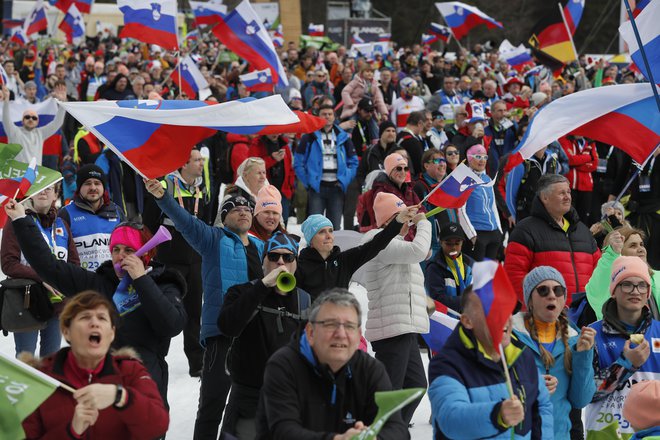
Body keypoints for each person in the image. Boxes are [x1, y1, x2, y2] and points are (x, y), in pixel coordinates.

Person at [5, 201, 186, 406]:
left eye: (129, 249)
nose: (121, 255)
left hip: (145, 391)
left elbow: (171, 325)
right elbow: (49, 266)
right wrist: (21, 220)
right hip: (100, 392)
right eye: (115, 249)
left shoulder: (164, 284)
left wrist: (141, 280)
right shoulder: (99, 283)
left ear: (146, 253)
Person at [145, 179, 264, 440]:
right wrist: (163, 196)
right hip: (221, 336)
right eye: (234, 208)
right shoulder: (212, 239)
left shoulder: (261, 248)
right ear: (224, 216)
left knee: (247, 411)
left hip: (255, 339)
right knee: (212, 407)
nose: (243, 211)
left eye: (246, 208)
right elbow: (184, 220)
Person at [255, 288, 409, 439]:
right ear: (310, 332)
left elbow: (397, 429)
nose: (341, 334)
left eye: (349, 326)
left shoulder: (369, 370)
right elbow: (284, 432)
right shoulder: (283, 366)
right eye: (330, 324)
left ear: (358, 335)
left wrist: (374, 438)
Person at [21, 291, 169, 439]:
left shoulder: (130, 370)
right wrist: (71, 432)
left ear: (111, 334)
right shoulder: (40, 379)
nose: (94, 323)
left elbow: (158, 425)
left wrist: (121, 397)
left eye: (102, 318)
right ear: (66, 332)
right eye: (85, 317)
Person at [428, 288, 554, 439]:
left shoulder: (522, 354)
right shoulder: (446, 364)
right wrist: (497, 415)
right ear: (467, 321)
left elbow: (542, 406)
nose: (503, 318)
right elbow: (451, 420)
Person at [218, 232, 309, 438]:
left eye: (288, 257)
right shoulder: (241, 292)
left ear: (295, 263)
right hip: (247, 398)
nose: (280, 262)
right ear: (263, 261)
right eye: (273, 256)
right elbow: (228, 326)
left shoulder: (305, 300)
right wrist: (262, 286)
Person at [360, 193, 431, 425]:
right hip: (390, 329)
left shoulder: (397, 244)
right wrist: (424, 224)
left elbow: (420, 253)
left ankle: (393, 429)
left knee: (417, 385)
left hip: (404, 327)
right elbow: (418, 252)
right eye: (402, 216)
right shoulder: (377, 240)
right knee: (391, 392)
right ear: (387, 221)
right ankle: (383, 431)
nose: (408, 221)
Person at [143, 148, 214, 378]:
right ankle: (156, 358)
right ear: (183, 164)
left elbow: (205, 220)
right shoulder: (165, 185)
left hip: (195, 259)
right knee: (164, 311)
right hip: (169, 259)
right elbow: (150, 221)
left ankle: (197, 362)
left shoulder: (201, 187)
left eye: (201, 160)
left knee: (195, 313)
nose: (201, 163)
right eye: (196, 160)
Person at [512, 266, 597, 439]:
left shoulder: (575, 340)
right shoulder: (509, 337)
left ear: (564, 298)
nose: (551, 295)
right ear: (529, 301)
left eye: (558, 290)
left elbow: (580, 400)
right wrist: (529, 387)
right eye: (543, 290)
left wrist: (584, 355)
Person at [586, 256, 660, 439]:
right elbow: (586, 394)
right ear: (613, 290)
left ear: (648, 292)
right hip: (604, 434)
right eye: (626, 284)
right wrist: (626, 364)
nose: (635, 291)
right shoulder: (592, 334)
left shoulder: (658, 332)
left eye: (642, 285)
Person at [1, 184, 79, 357]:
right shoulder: (16, 222)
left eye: (49, 188)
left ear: (56, 195)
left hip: (57, 303)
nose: (43, 191)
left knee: (51, 359)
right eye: (39, 188)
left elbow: (74, 262)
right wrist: (42, 278)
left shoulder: (62, 224)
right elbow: (8, 264)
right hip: (27, 301)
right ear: (31, 195)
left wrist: (64, 282)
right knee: (25, 358)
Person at [505, 174, 601, 308]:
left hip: (584, 314)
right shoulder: (525, 230)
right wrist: (536, 306)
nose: (568, 197)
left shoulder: (582, 231)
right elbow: (514, 275)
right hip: (544, 315)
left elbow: (600, 269)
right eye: (561, 193)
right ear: (545, 198)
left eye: (568, 192)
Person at [296, 210, 412, 299]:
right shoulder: (300, 266)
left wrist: (397, 222)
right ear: (311, 240)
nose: (329, 236)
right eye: (321, 232)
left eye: (330, 231)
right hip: (312, 326)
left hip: (340, 325)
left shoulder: (344, 260)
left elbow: (375, 245)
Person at [294, 104, 358, 230]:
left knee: (334, 228)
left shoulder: (343, 136)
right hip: (317, 188)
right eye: (324, 114)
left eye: (330, 114)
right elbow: (298, 162)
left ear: (334, 117)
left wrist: (345, 179)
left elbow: (354, 161)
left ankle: (333, 250)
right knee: (315, 227)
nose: (327, 117)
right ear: (318, 116)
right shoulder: (309, 136)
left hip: (337, 188)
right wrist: (309, 182)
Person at [58, 165, 125, 272]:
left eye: (97, 183)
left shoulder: (117, 212)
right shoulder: (66, 213)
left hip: (113, 278)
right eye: (88, 183)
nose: (93, 188)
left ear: (103, 187)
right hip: (81, 281)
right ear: (79, 187)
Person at [587, 226, 660, 321]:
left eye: (641, 244)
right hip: (619, 335)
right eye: (633, 245)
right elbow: (598, 290)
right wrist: (611, 254)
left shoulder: (657, 277)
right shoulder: (606, 281)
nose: (641, 249)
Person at [1, 84, 66, 164]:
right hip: (16, 175)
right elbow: (5, 118)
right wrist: (6, 100)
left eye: (34, 118)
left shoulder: (40, 134)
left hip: (33, 175)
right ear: (22, 120)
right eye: (27, 117)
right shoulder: (14, 132)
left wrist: (63, 104)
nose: (31, 119)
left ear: (37, 122)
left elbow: (57, 123)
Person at [464, 144, 502, 261]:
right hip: (477, 232)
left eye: (485, 157)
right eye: (478, 157)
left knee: (489, 275)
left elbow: (493, 206)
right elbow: (460, 209)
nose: (482, 160)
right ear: (470, 158)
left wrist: (499, 230)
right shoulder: (464, 179)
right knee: (476, 274)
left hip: (493, 233)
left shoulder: (487, 179)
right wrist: (471, 234)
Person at [424, 223, 475, 311]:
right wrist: (465, 301)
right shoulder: (434, 267)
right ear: (441, 243)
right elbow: (436, 299)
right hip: (447, 319)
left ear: (462, 243)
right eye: (448, 244)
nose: (453, 247)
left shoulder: (471, 264)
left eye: (457, 243)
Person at [249, 134, 295, 225]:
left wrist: (290, 187)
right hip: (263, 191)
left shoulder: (284, 144)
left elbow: (290, 169)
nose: (275, 134)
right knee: (266, 222)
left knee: (283, 221)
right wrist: (272, 159)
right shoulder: (257, 144)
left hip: (283, 190)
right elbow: (253, 167)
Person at [559, 135, 599, 226]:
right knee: (567, 217)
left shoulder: (590, 142)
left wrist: (576, 162)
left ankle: (580, 239)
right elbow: (569, 160)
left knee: (583, 220)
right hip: (569, 186)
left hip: (586, 187)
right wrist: (588, 157)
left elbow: (594, 164)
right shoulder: (564, 139)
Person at [395, 111, 427, 176]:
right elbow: (419, 167)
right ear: (419, 123)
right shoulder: (414, 142)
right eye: (423, 126)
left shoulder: (397, 136)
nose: (422, 130)